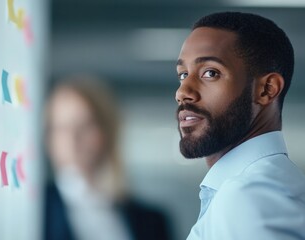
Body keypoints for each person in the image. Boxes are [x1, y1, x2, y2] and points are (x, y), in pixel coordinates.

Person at [175, 12, 305, 239]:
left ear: (267, 89)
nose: (182, 92)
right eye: (183, 74)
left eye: (210, 72)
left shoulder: (249, 194)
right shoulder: (271, 184)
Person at [44, 76, 171, 240]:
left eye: (84, 125)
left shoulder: (151, 221)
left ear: (107, 131)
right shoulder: (34, 210)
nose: (72, 138)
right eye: (60, 127)